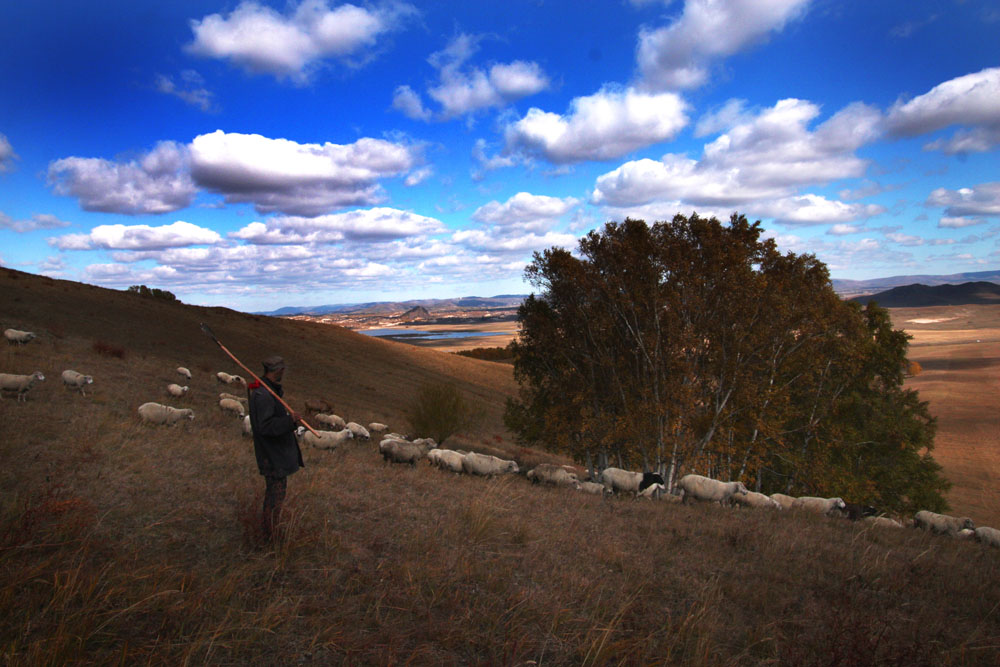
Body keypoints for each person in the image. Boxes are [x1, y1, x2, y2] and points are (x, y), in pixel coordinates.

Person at [248, 355, 303, 540]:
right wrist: (290, 421)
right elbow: (266, 426)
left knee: (275, 494)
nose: (284, 372)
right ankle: (270, 536)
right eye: (282, 369)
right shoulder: (263, 394)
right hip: (272, 455)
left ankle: (270, 531)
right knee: (275, 497)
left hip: (275, 453)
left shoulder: (268, 390)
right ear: (277, 370)